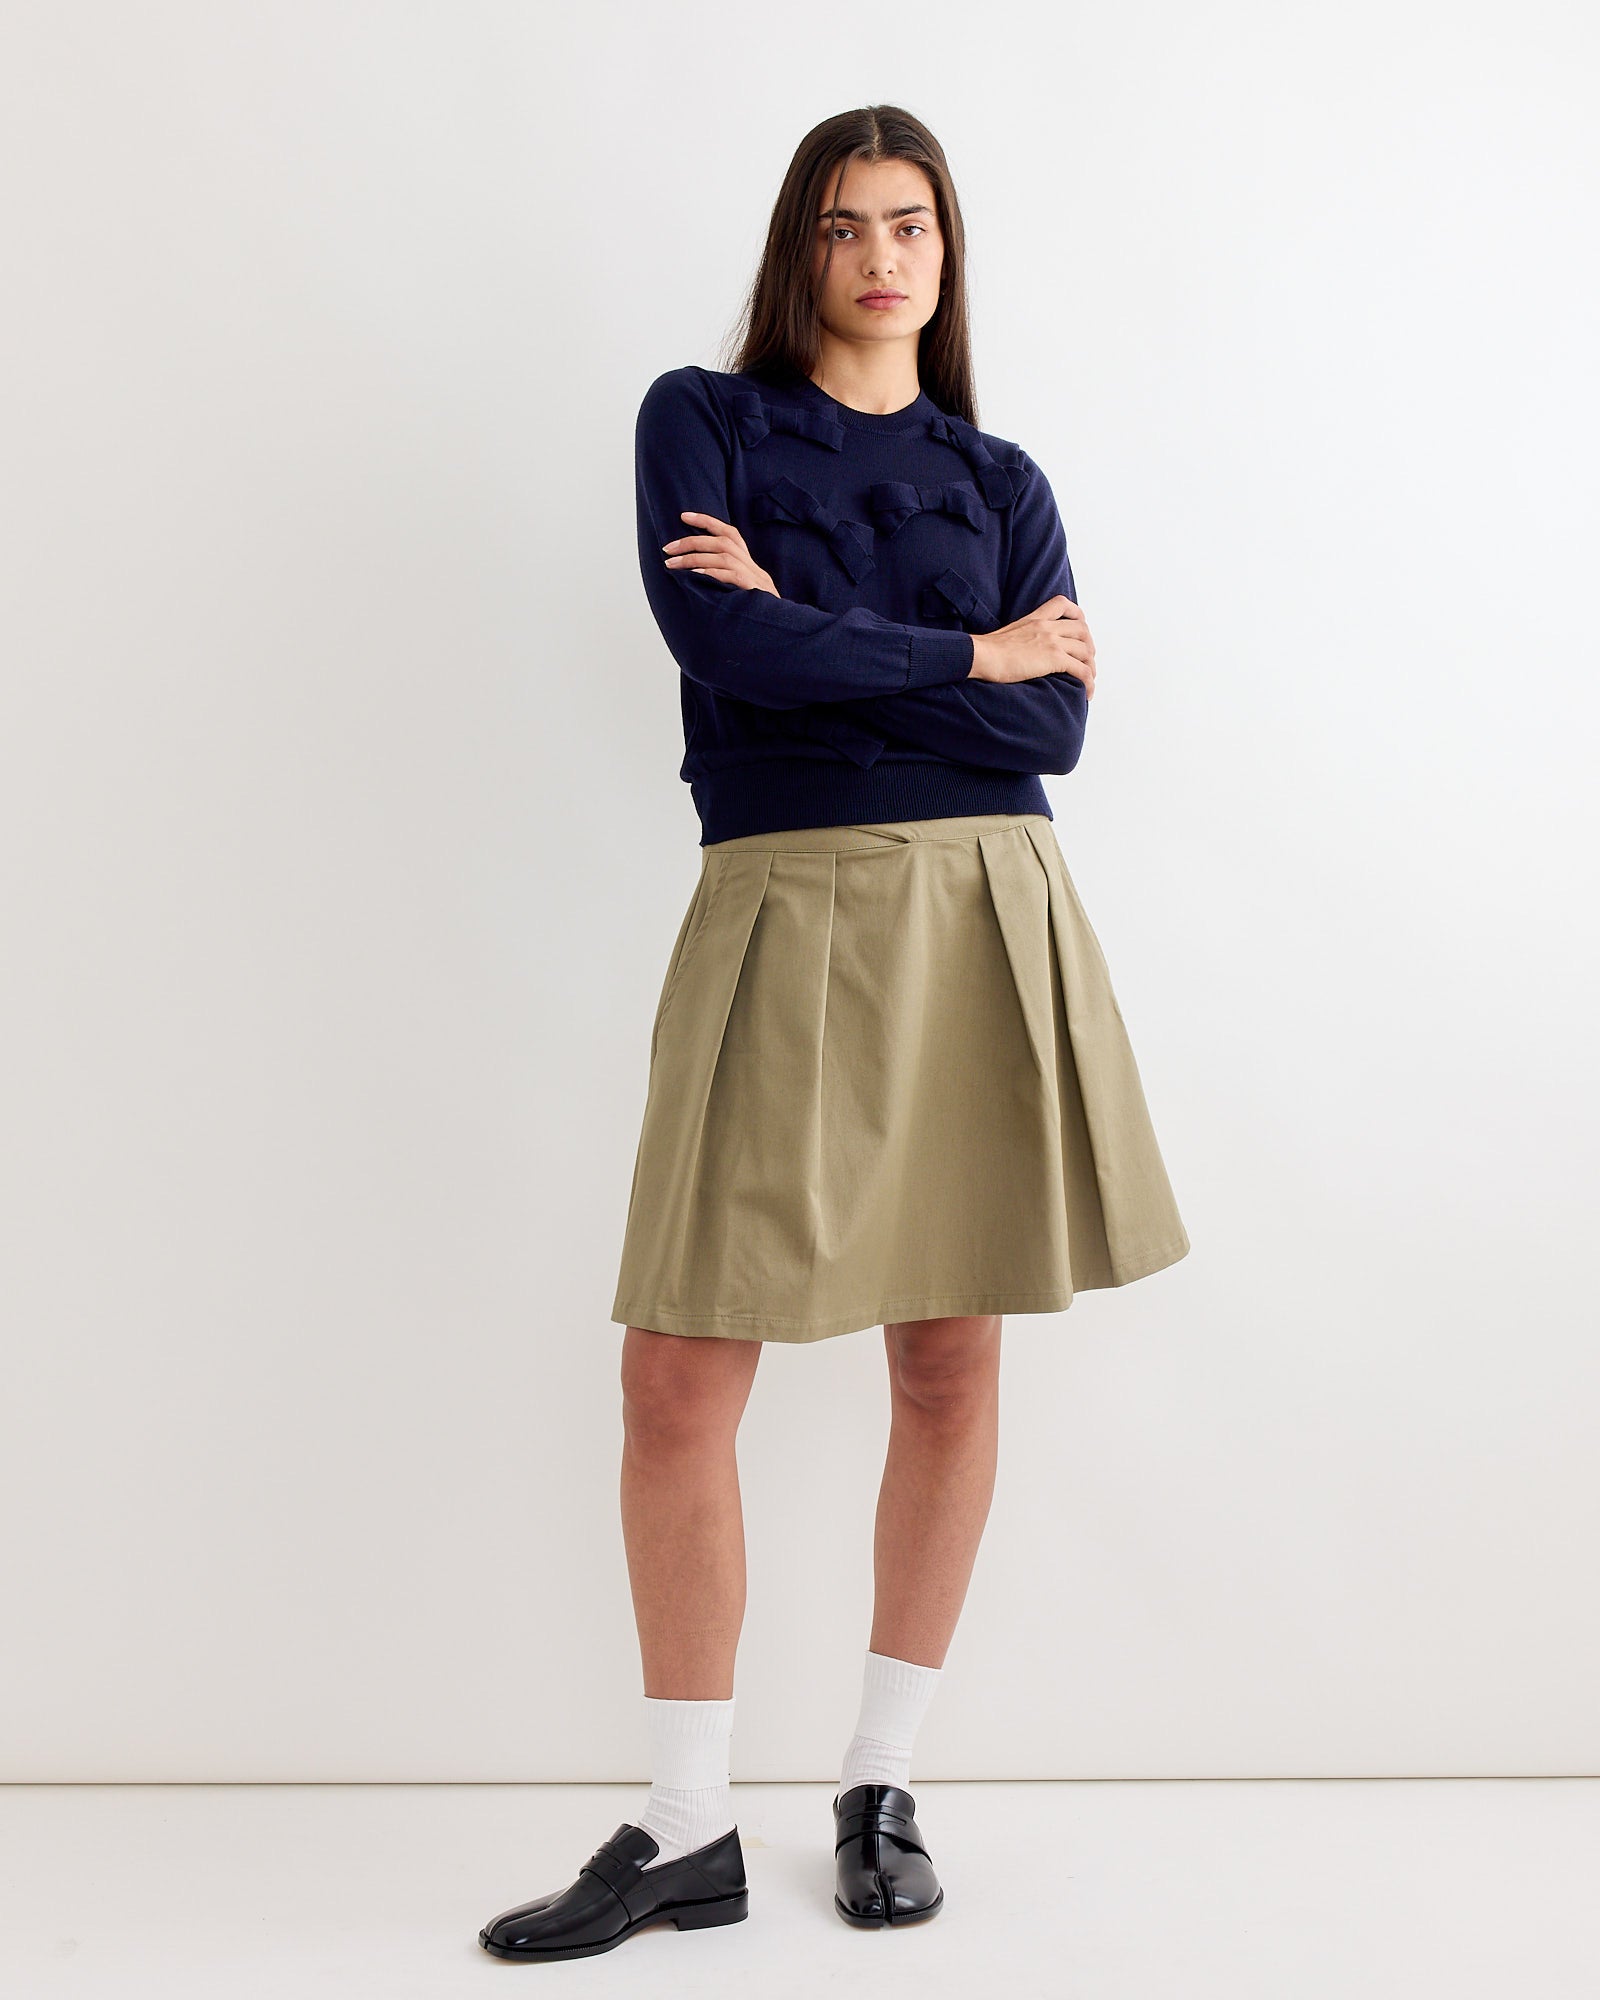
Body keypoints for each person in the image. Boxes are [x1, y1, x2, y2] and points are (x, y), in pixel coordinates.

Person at [479, 103, 1190, 1963]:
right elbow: (735, 661)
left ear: (947, 256)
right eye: (844, 226)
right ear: (798, 249)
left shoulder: (1001, 472)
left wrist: (831, 635)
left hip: (981, 907)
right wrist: (966, 660)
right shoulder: (697, 423)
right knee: (676, 1375)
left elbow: (1058, 744)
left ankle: (882, 1777)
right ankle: (686, 1820)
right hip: (781, 906)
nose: (882, 257)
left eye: (914, 225)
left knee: (947, 1356)